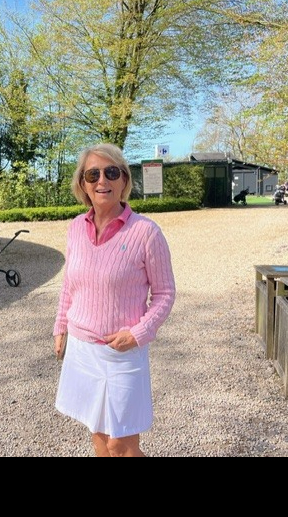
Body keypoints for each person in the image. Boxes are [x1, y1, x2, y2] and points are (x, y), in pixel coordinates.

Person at [53, 143, 176, 457]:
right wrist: (60, 326)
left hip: (122, 353)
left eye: (111, 172)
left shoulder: (146, 233)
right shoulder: (75, 229)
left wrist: (138, 333)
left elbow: (165, 293)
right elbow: (69, 283)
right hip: (82, 349)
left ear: (124, 180)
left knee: (121, 445)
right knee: (97, 434)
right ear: (82, 184)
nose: (102, 181)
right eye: (92, 174)